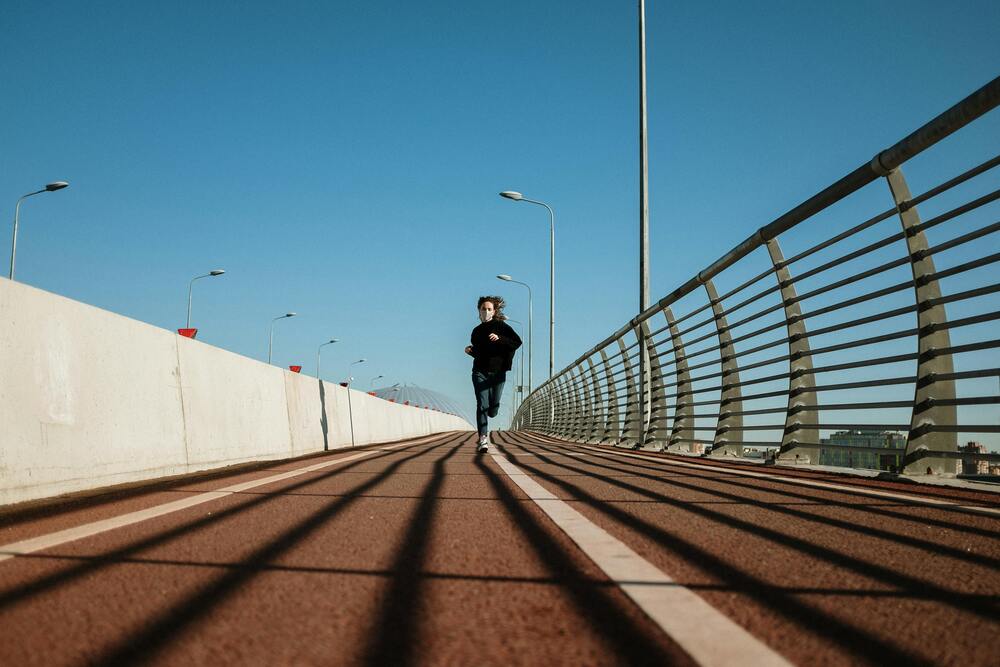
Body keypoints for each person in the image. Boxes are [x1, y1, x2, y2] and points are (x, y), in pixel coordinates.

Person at [465, 295, 522, 453]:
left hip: (498, 372)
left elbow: (517, 342)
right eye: (483, 309)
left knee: (493, 409)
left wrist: (500, 338)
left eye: (489, 309)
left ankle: (493, 409)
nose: (486, 311)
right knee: (482, 404)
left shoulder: (501, 326)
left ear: (494, 311)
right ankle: (483, 438)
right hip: (479, 371)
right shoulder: (476, 332)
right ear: (479, 310)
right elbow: (480, 353)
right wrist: (470, 351)